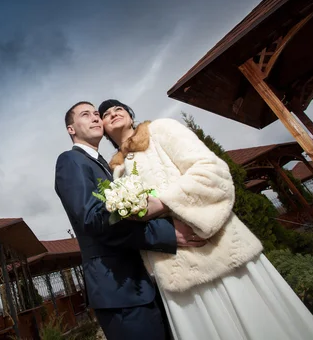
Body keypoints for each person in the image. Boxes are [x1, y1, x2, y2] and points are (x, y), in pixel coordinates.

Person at [98, 99, 313, 340]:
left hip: (218, 252)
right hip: (175, 270)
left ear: (131, 115)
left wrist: (162, 202)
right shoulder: (117, 171)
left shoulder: (161, 130)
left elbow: (211, 171)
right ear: (103, 127)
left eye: (119, 108)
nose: (114, 113)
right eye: (106, 114)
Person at [54, 101, 207, 340]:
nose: (96, 118)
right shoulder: (71, 161)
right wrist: (167, 233)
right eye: (86, 115)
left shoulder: (107, 166)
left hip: (143, 283)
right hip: (119, 291)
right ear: (71, 129)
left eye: (97, 114)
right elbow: (93, 220)